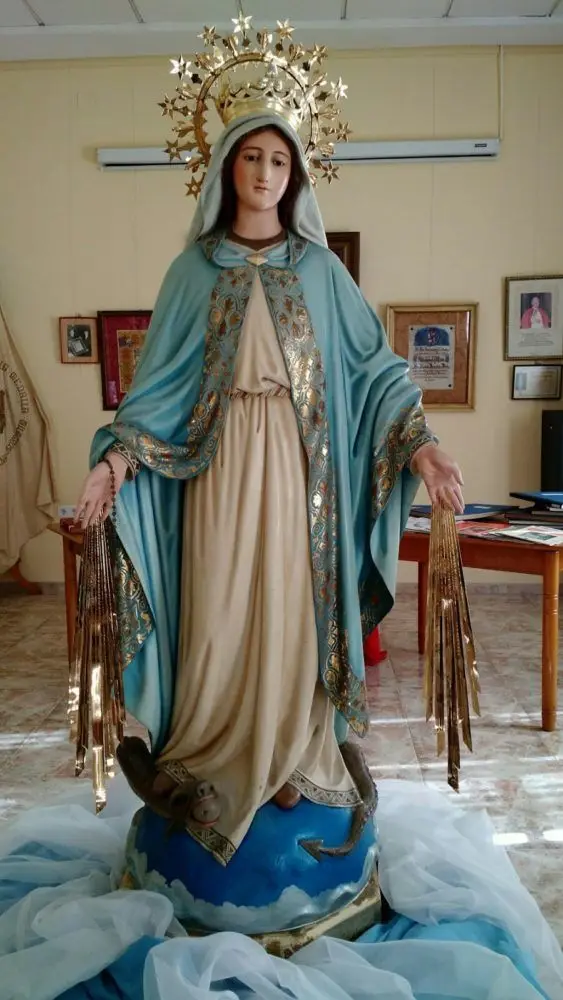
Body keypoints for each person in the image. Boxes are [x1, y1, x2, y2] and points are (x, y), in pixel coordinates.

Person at [74, 118, 464, 862]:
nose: (264, 173)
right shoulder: (191, 271)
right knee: (216, 604)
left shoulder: (322, 271)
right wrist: (115, 463)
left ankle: (292, 753)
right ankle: (207, 748)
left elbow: (374, 372)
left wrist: (422, 447)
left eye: (279, 160)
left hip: (297, 469)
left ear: (296, 175)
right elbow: (156, 391)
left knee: (292, 603)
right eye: (251, 157)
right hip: (214, 470)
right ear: (227, 167)